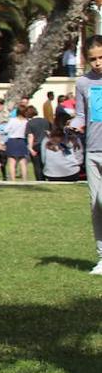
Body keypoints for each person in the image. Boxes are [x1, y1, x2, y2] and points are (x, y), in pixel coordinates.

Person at [72, 35, 102, 273]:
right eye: (93, 59)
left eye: (101, 57)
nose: (98, 63)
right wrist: (75, 123)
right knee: (95, 205)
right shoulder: (83, 83)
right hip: (92, 150)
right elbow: (82, 114)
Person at [3, 106, 30, 181]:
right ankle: (24, 180)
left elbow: (5, 130)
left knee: (12, 161)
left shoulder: (12, 120)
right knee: (22, 161)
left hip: (12, 140)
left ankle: (13, 180)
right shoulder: (26, 121)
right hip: (22, 141)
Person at [25, 105, 50, 181]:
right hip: (46, 145)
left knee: (37, 165)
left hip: (36, 145)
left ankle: (40, 180)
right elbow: (49, 133)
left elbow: (30, 136)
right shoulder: (45, 121)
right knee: (45, 163)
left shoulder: (30, 123)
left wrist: (30, 148)